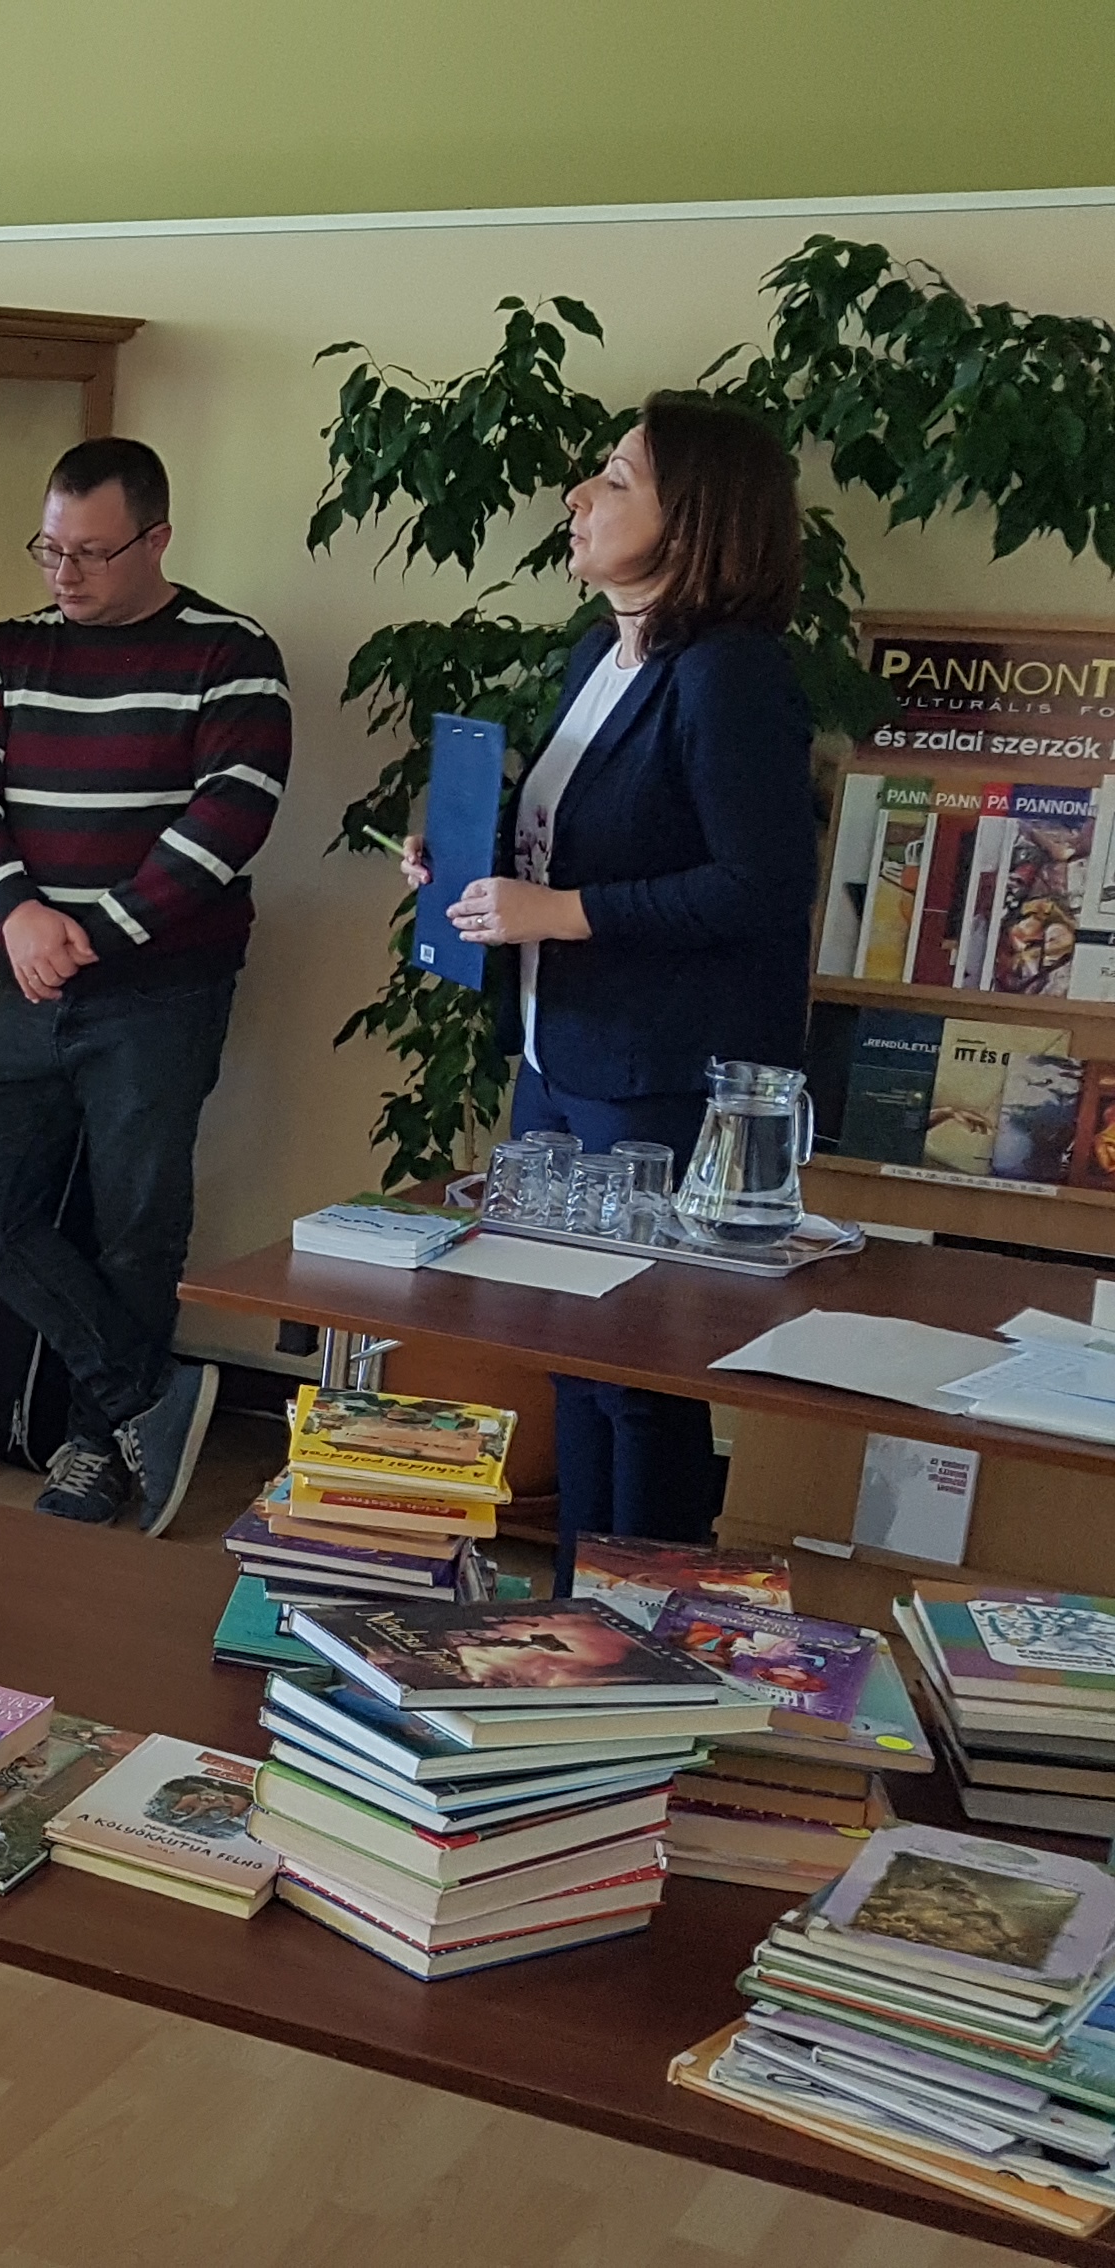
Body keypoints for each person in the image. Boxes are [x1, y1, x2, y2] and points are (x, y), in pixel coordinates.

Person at [412, 394, 814, 1550]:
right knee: (569, 1358)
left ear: (696, 520)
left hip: (661, 1077)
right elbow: (586, 836)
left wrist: (564, 912)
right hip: (559, 1055)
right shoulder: (601, 654)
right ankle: (580, 1615)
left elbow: (760, 885)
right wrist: (461, 857)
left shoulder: (730, 675)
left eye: (618, 479)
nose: (578, 497)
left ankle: (649, 1623)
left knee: (640, 1380)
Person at [0, 438, 291, 1530]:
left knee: (137, 1219)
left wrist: (93, 933)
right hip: (20, 972)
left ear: (157, 539)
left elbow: (232, 814)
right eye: (51, 549)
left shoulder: (231, 653)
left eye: (91, 552)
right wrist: (17, 914)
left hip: (159, 985)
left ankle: (95, 1445)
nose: (66, 573)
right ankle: (147, 1393)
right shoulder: (6, 653)